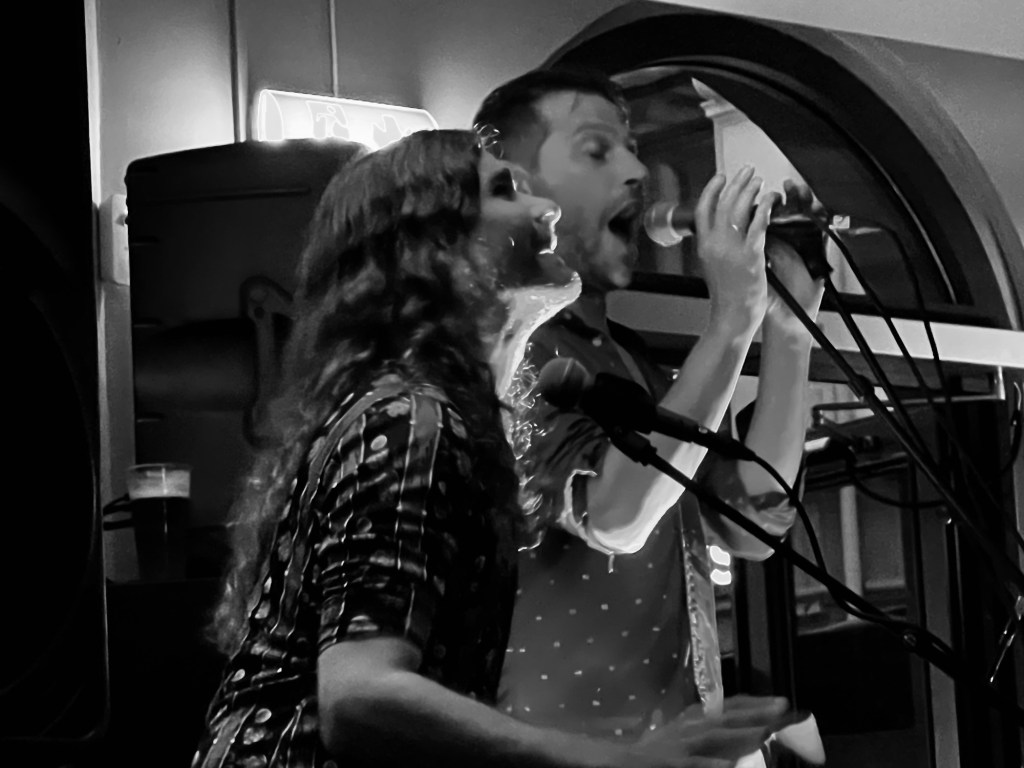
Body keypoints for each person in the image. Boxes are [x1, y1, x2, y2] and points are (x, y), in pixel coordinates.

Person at [192, 128, 793, 768]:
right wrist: (619, 762)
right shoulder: (409, 421)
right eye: (505, 189)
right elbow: (361, 696)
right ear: (435, 249)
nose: (549, 209)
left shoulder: (435, 419)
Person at [473, 69, 824, 740]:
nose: (637, 171)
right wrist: (731, 319)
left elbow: (751, 522)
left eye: (632, 149)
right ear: (518, 189)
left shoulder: (630, 361)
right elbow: (614, 514)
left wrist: (787, 331)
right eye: (597, 150)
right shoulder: (504, 350)